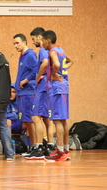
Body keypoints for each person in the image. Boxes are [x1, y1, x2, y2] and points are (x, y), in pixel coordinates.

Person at [41, 30, 74, 162]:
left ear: (48, 40)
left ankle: (60, 151)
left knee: (57, 120)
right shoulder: (61, 50)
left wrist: (55, 73)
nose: (42, 43)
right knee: (63, 120)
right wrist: (62, 73)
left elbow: (56, 64)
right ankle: (65, 149)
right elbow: (71, 61)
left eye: (43, 41)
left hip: (57, 88)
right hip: (64, 87)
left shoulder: (53, 52)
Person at [24, 27, 54, 160]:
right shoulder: (52, 51)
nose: (32, 42)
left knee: (35, 118)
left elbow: (45, 63)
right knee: (47, 118)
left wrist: (38, 76)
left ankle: (39, 148)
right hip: (49, 86)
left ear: (39, 37)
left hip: (43, 86)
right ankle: (51, 146)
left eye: (33, 39)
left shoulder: (42, 50)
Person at [13, 33, 38, 154]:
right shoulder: (22, 56)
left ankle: (35, 146)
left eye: (17, 43)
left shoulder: (30, 55)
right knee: (27, 122)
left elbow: (37, 70)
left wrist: (25, 80)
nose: (15, 46)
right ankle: (31, 147)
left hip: (28, 92)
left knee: (30, 120)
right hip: (22, 93)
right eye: (14, 44)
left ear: (24, 42)